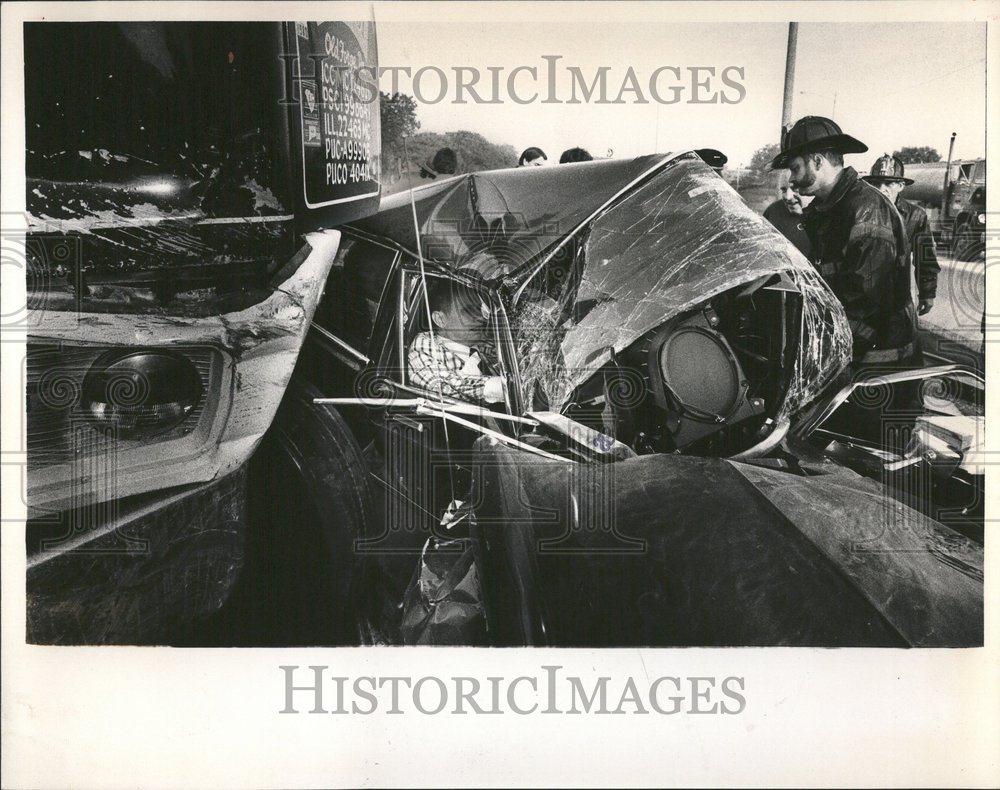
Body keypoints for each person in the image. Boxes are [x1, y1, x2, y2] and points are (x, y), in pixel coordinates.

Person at [770, 116, 915, 367]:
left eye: (795, 168)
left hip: (878, 361)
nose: (791, 180)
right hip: (855, 351)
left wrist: (822, 355)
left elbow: (864, 304)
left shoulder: (865, 210)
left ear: (817, 161)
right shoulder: (830, 208)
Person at [861, 154, 939, 316]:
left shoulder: (916, 216)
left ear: (901, 186)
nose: (882, 188)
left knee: (899, 339)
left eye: (889, 183)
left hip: (897, 300)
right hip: (860, 301)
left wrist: (927, 293)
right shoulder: (858, 212)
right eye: (876, 183)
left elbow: (925, 258)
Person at [407, 279, 505, 404]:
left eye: (478, 310)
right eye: (468, 311)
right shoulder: (423, 347)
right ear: (440, 319)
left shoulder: (486, 341)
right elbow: (443, 386)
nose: (480, 317)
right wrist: (505, 386)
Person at [762, 175, 814, 258]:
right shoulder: (773, 211)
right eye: (784, 190)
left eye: (795, 188)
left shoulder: (829, 214)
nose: (788, 197)